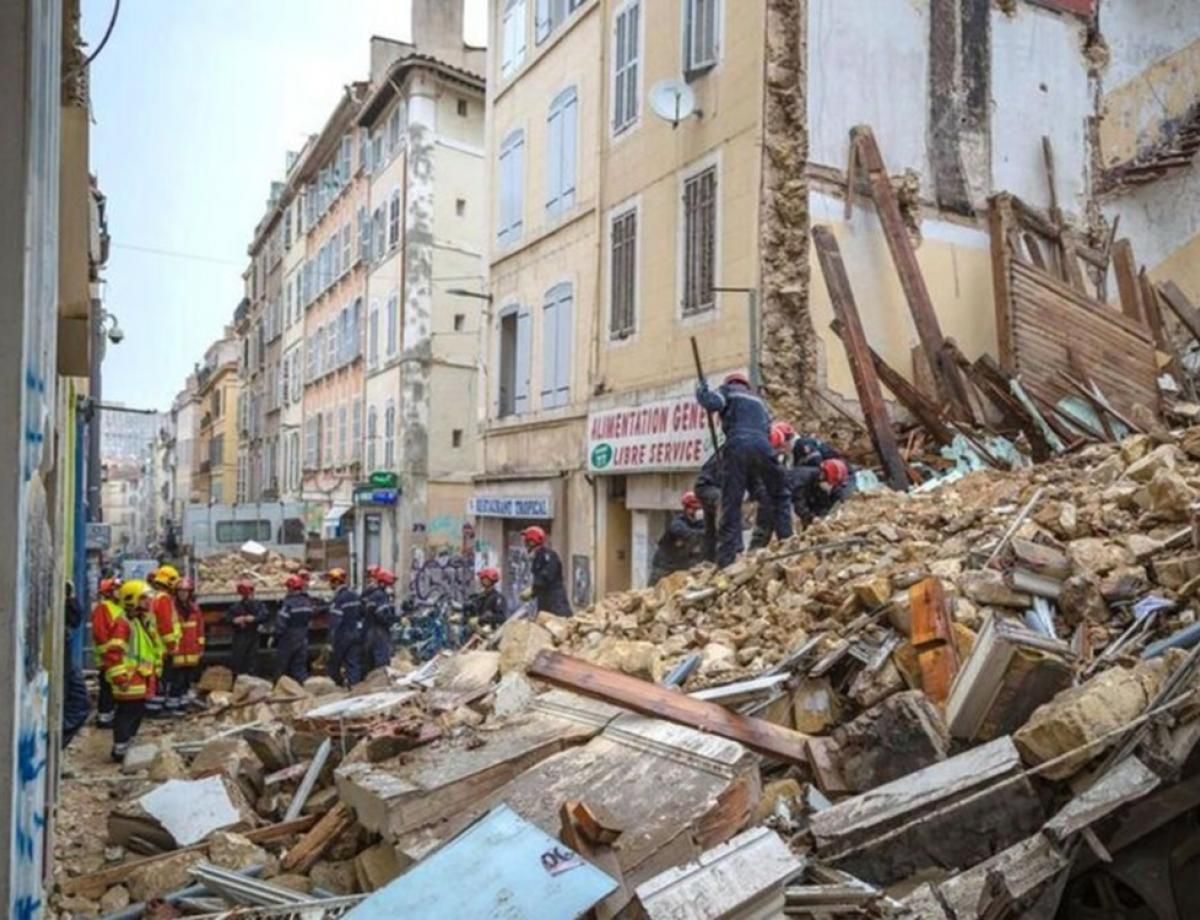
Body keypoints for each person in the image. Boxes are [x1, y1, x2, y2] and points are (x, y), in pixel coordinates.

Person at [696, 372, 793, 566]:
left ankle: (726, 560)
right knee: (780, 495)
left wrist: (701, 390)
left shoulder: (728, 391)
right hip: (763, 446)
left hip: (737, 444)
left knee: (731, 502)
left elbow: (711, 403)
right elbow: (767, 427)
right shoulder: (759, 402)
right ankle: (788, 544)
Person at [106, 580, 162, 762]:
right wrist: (120, 677)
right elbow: (114, 653)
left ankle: (126, 747)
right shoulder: (123, 624)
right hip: (128, 681)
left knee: (135, 713)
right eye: (143, 598)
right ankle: (120, 750)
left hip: (139, 680)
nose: (148, 602)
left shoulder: (139, 622)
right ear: (132, 600)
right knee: (126, 714)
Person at [147, 565, 183, 718]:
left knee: (158, 677)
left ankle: (153, 707)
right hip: (162, 647)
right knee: (162, 678)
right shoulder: (164, 599)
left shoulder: (153, 597)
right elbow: (166, 625)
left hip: (155, 645)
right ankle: (155, 710)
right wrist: (171, 645)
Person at [649, 492, 707, 583]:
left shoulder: (700, 524)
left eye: (699, 508)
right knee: (654, 592)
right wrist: (703, 533)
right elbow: (689, 534)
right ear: (687, 509)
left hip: (682, 565)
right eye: (694, 508)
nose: (697, 511)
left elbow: (708, 534)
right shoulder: (677, 523)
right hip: (664, 566)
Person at [90, 577, 123, 728]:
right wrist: (108, 654)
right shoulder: (103, 608)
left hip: (116, 657)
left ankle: (109, 715)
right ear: (109, 592)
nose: (120, 591)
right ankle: (104, 718)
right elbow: (100, 634)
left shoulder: (118, 607)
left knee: (112, 688)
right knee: (107, 689)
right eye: (117, 589)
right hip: (107, 658)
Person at [519, 526, 572, 617]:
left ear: (532, 540)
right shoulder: (537, 557)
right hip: (544, 600)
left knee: (558, 624)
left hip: (555, 601)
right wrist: (533, 592)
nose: (525, 543)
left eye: (527, 540)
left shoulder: (548, 556)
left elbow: (546, 576)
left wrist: (533, 589)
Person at [62, 582, 91, 748]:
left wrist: (70, 597)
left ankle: (56, 741)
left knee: (80, 703)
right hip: (60, 660)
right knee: (79, 703)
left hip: (64, 658)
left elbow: (74, 619)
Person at [170, 578, 205, 711]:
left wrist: (200, 647)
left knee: (187, 680)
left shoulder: (195, 609)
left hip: (191, 651)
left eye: (186, 591)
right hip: (177, 651)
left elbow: (200, 630)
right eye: (180, 591)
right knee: (176, 681)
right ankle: (174, 706)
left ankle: (184, 705)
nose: (183, 594)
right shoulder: (172, 608)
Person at [325, 568, 363, 687]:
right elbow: (361, 613)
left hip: (342, 635)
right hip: (355, 633)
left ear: (336, 582)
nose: (329, 584)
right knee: (353, 663)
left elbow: (335, 621)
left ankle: (338, 686)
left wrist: (330, 641)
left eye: (331, 581)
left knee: (334, 663)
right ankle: (354, 687)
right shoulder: (354, 595)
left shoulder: (339, 599)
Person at [789, 457, 853, 527]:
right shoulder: (802, 479)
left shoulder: (817, 482)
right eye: (831, 483)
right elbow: (799, 504)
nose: (831, 486)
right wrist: (812, 518)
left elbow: (823, 504)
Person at [275, 574, 315, 683]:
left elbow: (281, 623)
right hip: (303, 637)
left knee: (282, 666)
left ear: (290, 588)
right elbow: (311, 616)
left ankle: (279, 690)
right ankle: (305, 689)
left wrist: (276, 636)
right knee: (299, 666)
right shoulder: (307, 602)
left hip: (289, 637)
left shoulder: (288, 603)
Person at [226, 581, 265, 678]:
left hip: (252, 634)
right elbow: (228, 618)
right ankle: (240, 679)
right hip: (241, 635)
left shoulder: (257, 605)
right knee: (239, 659)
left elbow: (264, 615)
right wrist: (235, 620)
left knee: (252, 659)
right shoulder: (236, 607)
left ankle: (250, 678)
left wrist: (254, 619)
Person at [361, 568, 397, 673]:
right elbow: (382, 615)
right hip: (379, 632)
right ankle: (380, 683)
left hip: (369, 630)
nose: (390, 587)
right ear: (383, 583)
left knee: (370, 661)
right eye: (389, 585)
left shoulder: (370, 595)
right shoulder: (381, 596)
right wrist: (394, 620)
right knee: (382, 660)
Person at [463, 567, 508, 634]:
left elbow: (501, 618)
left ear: (489, 580)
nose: (480, 580)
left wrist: (481, 619)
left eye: (483, 577)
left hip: (490, 634)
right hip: (476, 632)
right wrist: (462, 619)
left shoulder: (498, 598)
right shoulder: (479, 597)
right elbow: (472, 614)